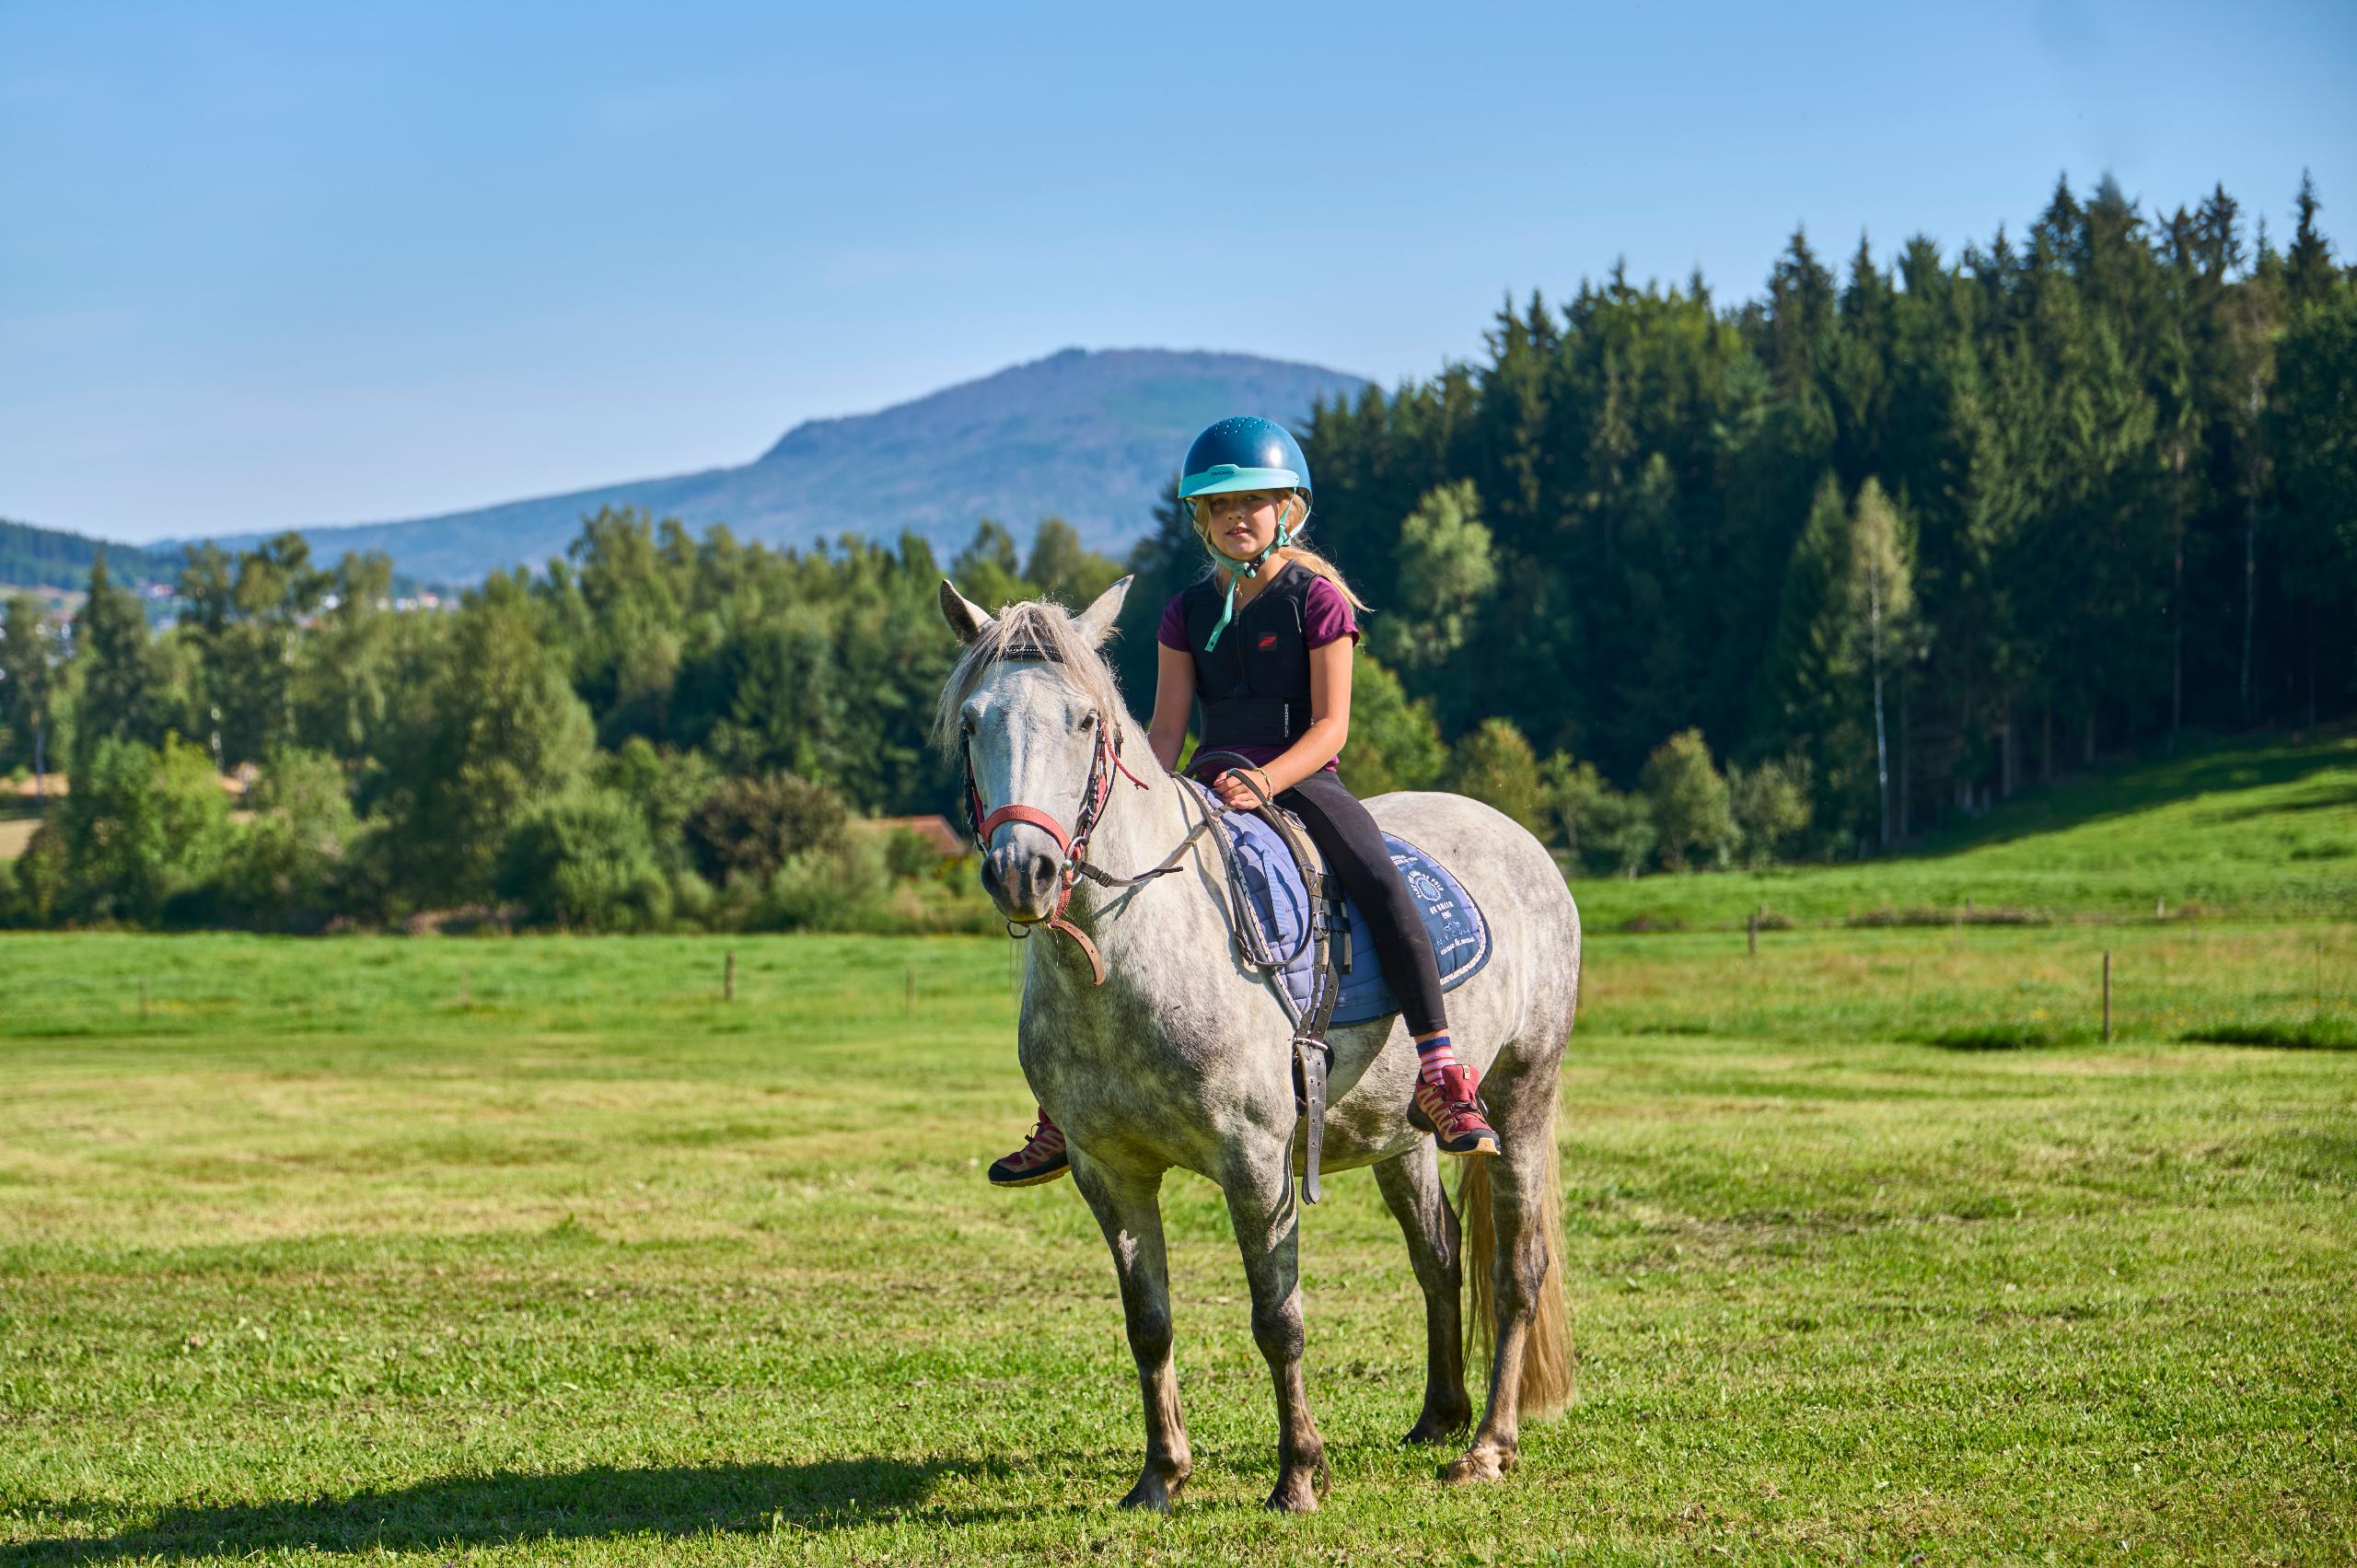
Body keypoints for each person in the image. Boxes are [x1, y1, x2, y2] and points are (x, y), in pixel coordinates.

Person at [989, 414, 1499, 1188]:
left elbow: (1333, 725)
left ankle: (1441, 1067)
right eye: (1218, 506)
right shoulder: (1184, 613)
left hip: (1303, 781)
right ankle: (1068, 1103)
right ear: (1199, 518)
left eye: (1252, 502)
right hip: (1206, 783)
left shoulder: (1318, 600)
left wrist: (1269, 780)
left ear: (1288, 508)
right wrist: (1127, 810)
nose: (1235, 517)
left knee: (1381, 880)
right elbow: (1163, 734)